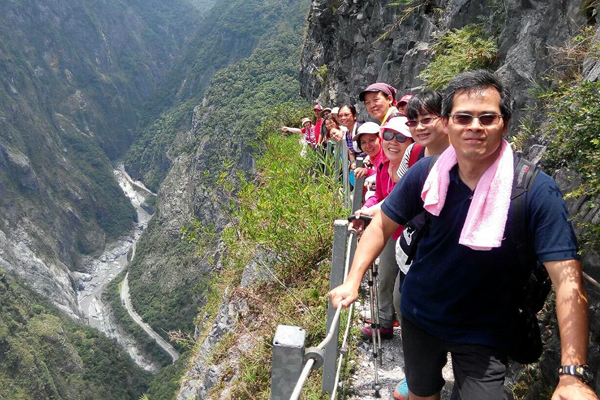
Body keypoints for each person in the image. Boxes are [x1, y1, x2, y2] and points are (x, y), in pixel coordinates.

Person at [330, 70, 598, 400]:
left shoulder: (534, 191)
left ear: (505, 124)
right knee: (421, 393)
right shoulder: (427, 174)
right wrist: (353, 279)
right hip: (420, 316)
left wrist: (572, 373)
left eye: (487, 118)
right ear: (448, 122)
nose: (474, 126)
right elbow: (382, 225)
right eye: (463, 117)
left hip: (485, 329)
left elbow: (568, 280)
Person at [392, 90, 450, 400]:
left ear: (446, 118)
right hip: (413, 248)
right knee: (403, 301)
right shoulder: (414, 154)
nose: (420, 127)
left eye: (427, 119)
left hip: (449, 254)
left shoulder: (465, 155)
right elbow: (398, 197)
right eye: (413, 121)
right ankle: (420, 376)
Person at [353, 117, 414, 339]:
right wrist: (366, 208)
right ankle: (385, 323)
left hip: (411, 238)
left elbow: (395, 202)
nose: (393, 142)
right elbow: (379, 196)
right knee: (385, 279)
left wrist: (371, 210)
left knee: (401, 293)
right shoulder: (382, 165)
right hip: (391, 232)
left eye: (400, 137)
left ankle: (413, 344)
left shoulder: (415, 170)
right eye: (388, 135)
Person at [352, 121, 382, 201]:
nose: (368, 146)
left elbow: (382, 176)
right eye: (363, 142)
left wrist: (367, 171)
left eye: (371, 140)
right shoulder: (374, 157)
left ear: (380, 139)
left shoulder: (385, 158)